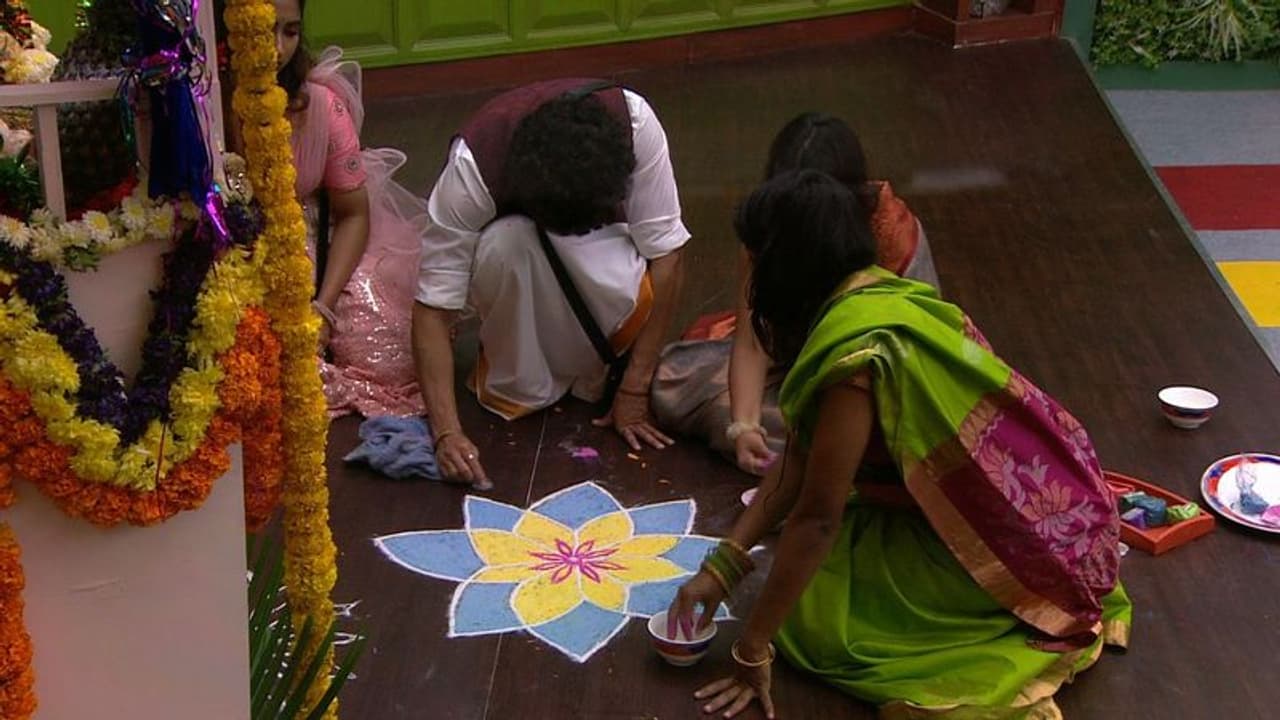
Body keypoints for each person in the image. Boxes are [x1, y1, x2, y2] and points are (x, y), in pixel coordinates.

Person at [667, 170, 1130, 719]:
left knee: (815, 625)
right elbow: (800, 457)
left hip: (1013, 556)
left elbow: (816, 519)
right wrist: (721, 569)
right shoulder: (875, 291)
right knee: (807, 567)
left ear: (786, 267)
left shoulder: (854, 357)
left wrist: (751, 649)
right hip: (1058, 520)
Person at [412, 78, 689, 487]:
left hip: (610, 268)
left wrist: (635, 387)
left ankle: (596, 365)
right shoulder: (473, 166)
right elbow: (433, 307)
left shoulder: (635, 123)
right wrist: (447, 433)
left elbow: (667, 254)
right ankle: (528, 376)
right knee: (506, 243)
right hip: (519, 257)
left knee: (611, 260)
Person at [651, 113, 937, 475]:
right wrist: (744, 428)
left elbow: (912, 359)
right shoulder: (770, 226)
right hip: (793, 362)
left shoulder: (891, 234)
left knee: (875, 440)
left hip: (867, 381)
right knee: (672, 382)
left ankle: (825, 457)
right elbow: (753, 341)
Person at [222, 0, 427, 418]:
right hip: (233, 253)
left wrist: (325, 309)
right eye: (264, 31)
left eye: (290, 32)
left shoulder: (319, 104)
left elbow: (354, 213)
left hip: (319, 244)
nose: (278, 49)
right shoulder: (203, 106)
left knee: (387, 355)